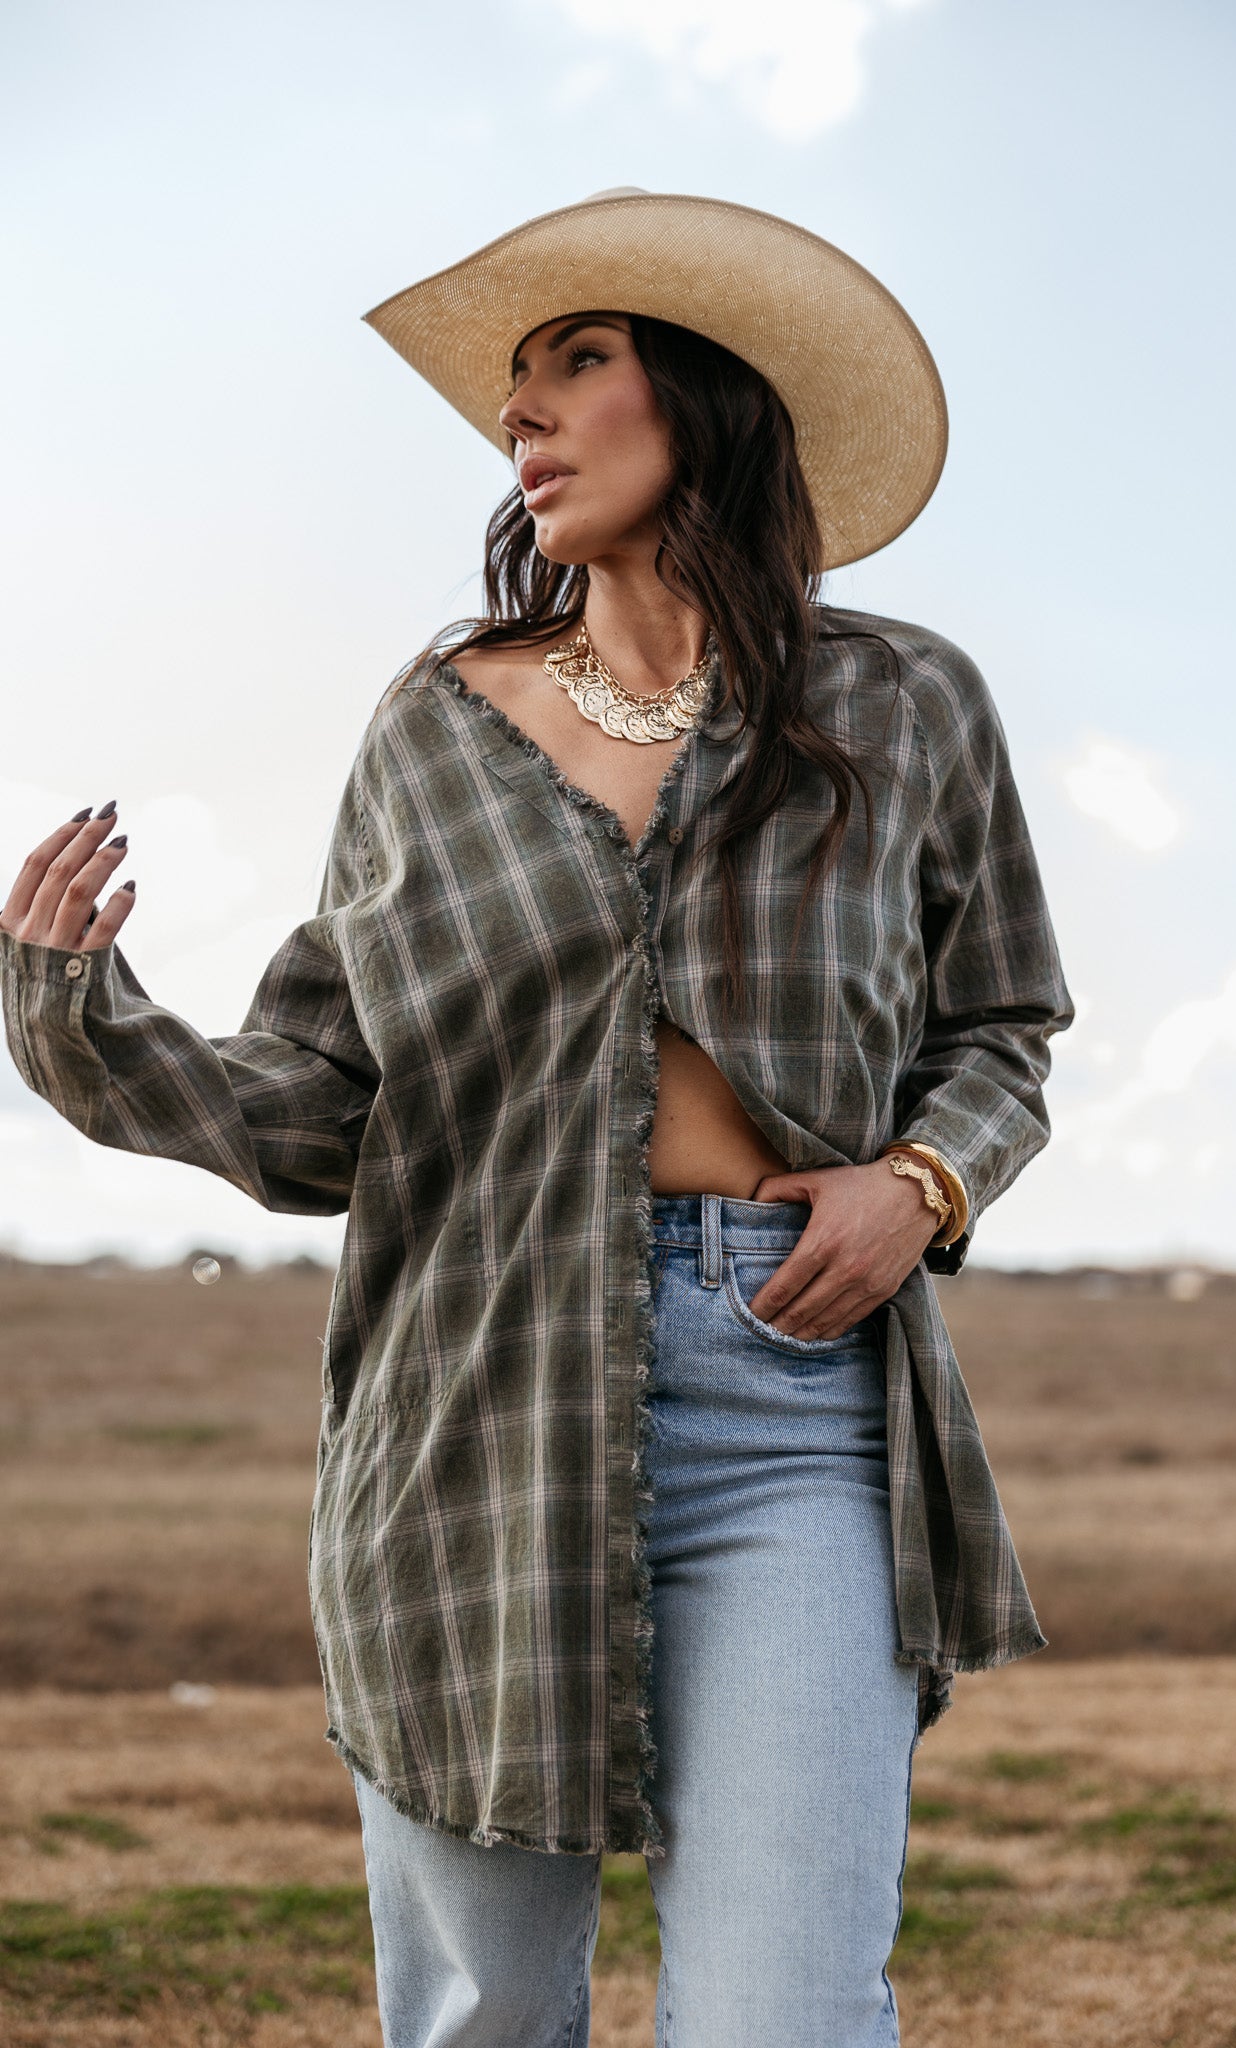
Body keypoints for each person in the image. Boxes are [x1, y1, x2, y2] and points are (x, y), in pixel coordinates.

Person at [0, 189, 1074, 2046]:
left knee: (784, 2017)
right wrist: (81, 1016)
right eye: (516, 384)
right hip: (473, 1400)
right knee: (484, 2016)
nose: (525, 414)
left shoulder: (903, 702)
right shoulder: (437, 723)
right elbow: (318, 1106)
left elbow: (1001, 1030)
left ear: (713, 399)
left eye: (580, 361)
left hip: (793, 1403)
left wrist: (920, 1180)